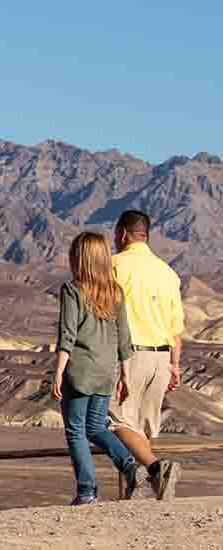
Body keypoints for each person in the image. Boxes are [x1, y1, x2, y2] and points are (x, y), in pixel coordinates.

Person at [51, 232, 141, 505]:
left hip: (80, 372)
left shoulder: (73, 290)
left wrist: (57, 372)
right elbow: (124, 337)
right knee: (96, 427)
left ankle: (87, 490)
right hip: (106, 372)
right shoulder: (115, 292)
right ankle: (130, 466)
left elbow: (67, 334)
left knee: (76, 431)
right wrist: (125, 375)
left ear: (80, 259)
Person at [109, 210, 184, 500]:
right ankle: (149, 490)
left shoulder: (115, 266)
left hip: (131, 354)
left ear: (123, 234)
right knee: (141, 425)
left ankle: (156, 468)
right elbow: (176, 327)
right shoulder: (168, 272)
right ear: (146, 235)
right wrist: (175, 365)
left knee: (114, 420)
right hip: (162, 357)